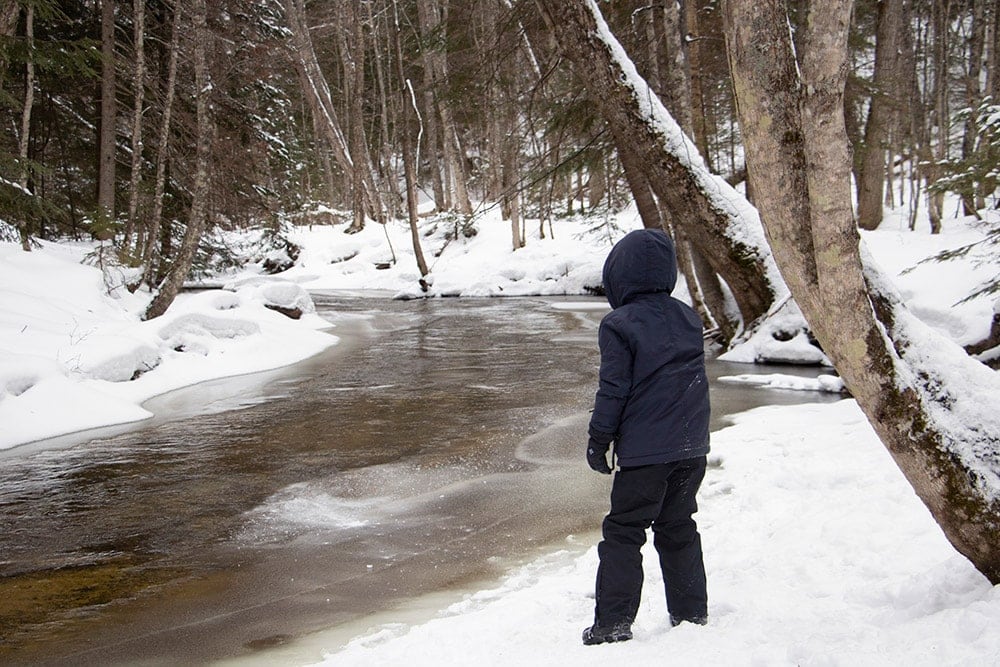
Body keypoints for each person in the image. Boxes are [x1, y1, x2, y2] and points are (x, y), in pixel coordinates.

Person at [582, 228, 711, 646]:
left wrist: (599, 438)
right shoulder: (688, 316)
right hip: (692, 447)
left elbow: (614, 388)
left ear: (619, 275)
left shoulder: (619, 324)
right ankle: (691, 614)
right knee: (677, 526)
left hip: (646, 454)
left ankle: (612, 625)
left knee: (624, 531)